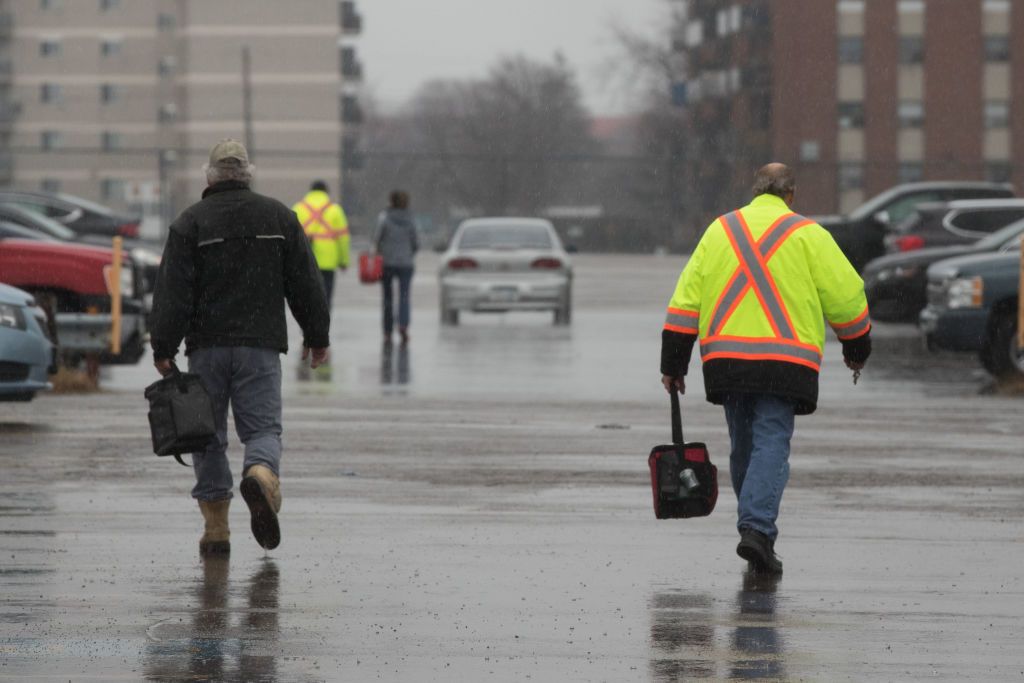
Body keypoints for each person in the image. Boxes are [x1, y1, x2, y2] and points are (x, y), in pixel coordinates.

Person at [660, 163, 871, 575]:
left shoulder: (721, 230)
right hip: (784, 362)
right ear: (791, 195)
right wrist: (856, 345)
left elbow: (686, 298)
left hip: (727, 361)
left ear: (755, 191)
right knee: (771, 441)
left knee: (744, 445)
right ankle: (756, 529)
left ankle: (756, 532)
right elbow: (847, 296)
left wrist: (674, 361)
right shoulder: (809, 235)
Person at [149, 139, 330, 556]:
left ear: (209, 177)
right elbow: (305, 283)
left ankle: (216, 529)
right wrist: (316, 336)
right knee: (262, 429)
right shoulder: (279, 217)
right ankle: (262, 475)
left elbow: (173, 292)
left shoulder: (190, 223)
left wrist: (163, 345)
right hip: (260, 347)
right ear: (248, 174)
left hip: (206, 348)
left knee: (206, 435)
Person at [292, 180, 350, 309]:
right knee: (326, 296)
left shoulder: (298, 208)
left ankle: (307, 324)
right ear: (326, 192)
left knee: (306, 295)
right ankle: (323, 324)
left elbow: (291, 237)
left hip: (304, 260)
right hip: (328, 260)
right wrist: (344, 260)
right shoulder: (335, 210)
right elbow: (343, 238)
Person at [373, 190, 418, 345]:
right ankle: (403, 325)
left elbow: (377, 239)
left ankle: (387, 331)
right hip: (406, 263)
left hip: (387, 264)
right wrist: (408, 253)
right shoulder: (411, 219)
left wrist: (381, 251)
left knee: (387, 298)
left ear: (391, 201)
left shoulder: (384, 218)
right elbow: (416, 242)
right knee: (404, 296)